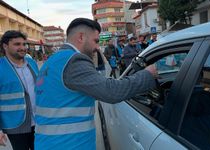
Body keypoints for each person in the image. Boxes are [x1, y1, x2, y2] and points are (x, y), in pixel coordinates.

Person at [35, 18, 157, 150]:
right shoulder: (74, 61)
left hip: (47, 143)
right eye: (96, 41)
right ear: (81, 37)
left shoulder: (52, 61)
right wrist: (148, 74)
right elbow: (112, 92)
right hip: (69, 144)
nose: (98, 47)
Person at [0, 30, 39, 150]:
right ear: (5, 46)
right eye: (17, 44)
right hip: (15, 125)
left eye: (24, 44)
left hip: (39, 121)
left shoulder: (32, 63)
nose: (22, 47)